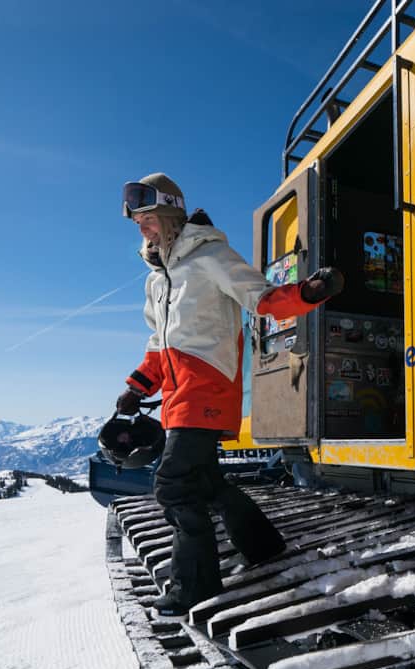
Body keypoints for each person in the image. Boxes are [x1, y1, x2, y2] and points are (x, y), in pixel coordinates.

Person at [116, 173, 343, 616]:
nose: (141, 229)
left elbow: (261, 298)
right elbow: (158, 345)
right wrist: (136, 387)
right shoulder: (158, 281)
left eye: (146, 219)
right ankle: (263, 545)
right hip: (177, 397)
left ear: (168, 214)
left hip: (208, 388)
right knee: (205, 483)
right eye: (137, 222)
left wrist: (309, 293)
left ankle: (194, 586)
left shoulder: (208, 256)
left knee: (174, 486)